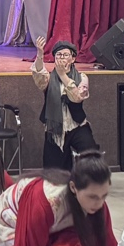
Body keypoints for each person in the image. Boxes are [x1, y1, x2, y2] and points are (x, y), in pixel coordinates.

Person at [32, 37, 98, 170]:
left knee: (91, 157)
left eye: (65, 55)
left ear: (73, 59)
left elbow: (77, 98)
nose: (62, 58)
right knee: (54, 170)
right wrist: (40, 54)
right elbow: (39, 74)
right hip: (55, 128)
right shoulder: (49, 78)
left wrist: (63, 75)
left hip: (77, 125)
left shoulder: (82, 77)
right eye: (59, 55)